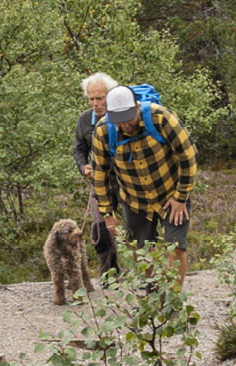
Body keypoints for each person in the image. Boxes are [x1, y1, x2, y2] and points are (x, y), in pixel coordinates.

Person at [90, 84, 198, 287]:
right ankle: (155, 295)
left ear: (137, 107)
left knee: (176, 248)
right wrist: (107, 213)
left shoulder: (162, 118)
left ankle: (173, 301)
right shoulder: (103, 130)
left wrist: (181, 197)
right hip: (134, 200)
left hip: (171, 195)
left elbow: (189, 156)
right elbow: (99, 174)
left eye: (128, 118)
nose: (125, 125)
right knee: (144, 251)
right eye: (118, 120)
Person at [73, 72, 121, 277]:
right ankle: (109, 275)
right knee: (99, 232)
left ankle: (145, 276)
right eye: (91, 99)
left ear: (110, 95)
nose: (95, 103)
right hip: (100, 183)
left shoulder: (123, 114)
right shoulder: (84, 120)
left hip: (127, 182)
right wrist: (84, 167)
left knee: (136, 229)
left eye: (99, 98)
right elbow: (78, 150)